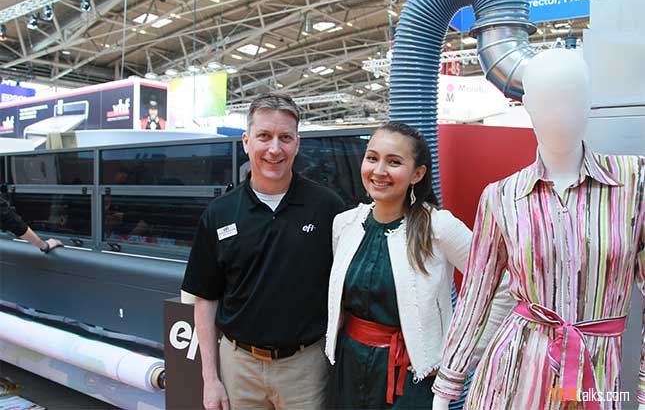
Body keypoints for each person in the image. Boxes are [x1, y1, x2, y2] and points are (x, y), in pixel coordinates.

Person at [432, 49, 645, 410]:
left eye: (572, 98)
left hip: (593, 377)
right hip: (514, 376)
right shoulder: (502, 196)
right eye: (547, 101)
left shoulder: (634, 183)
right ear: (527, 104)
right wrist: (446, 388)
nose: (560, 113)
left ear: (590, 101)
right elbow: (475, 298)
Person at [325, 122, 513, 409]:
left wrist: (459, 357)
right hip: (348, 367)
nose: (379, 171)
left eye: (394, 162)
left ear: (418, 173)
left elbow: (505, 284)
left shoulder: (438, 227)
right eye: (372, 158)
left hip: (411, 376)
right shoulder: (346, 224)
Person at [181, 93, 346, 410]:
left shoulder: (328, 208)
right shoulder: (219, 214)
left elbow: (345, 289)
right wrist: (210, 379)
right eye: (264, 136)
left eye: (285, 138)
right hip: (239, 367)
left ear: (297, 144)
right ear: (246, 142)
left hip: (306, 368)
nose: (274, 149)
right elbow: (206, 299)